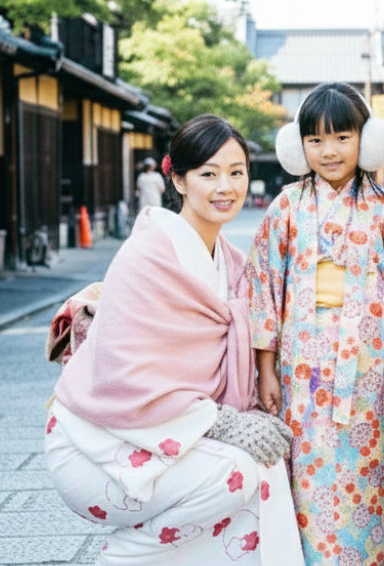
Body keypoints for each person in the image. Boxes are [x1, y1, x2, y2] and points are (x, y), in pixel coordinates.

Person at [44, 114, 303, 565]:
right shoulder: (147, 256)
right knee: (237, 472)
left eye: (236, 172)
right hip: (98, 441)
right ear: (178, 180)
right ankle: (122, 559)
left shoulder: (232, 264)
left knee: (262, 477)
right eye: (209, 174)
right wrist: (223, 424)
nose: (225, 187)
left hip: (170, 435)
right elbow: (122, 375)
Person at [247, 82, 384, 565]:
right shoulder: (286, 207)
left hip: (367, 371)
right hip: (300, 370)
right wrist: (266, 368)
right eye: (315, 140)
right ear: (298, 146)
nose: (329, 151)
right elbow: (264, 286)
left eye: (342, 137)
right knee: (302, 476)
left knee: (366, 474)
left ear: (366, 139)